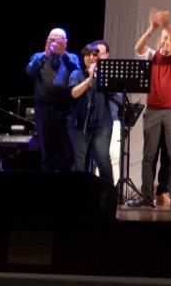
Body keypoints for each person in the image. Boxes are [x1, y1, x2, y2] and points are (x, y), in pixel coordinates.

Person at [133, 9, 171, 208]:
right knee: (149, 155)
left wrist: (168, 27)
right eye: (163, 39)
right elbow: (138, 47)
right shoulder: (153, 56)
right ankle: (145, 197)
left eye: (169, 39)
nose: (165, 42)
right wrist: (152, 29)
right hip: (153, 110)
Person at [25, 27, 81, 171]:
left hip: (66, 110)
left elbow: (78, 72)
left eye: (59, 40)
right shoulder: (38, 56)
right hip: (44, 110)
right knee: (47, 152)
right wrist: (46, 54)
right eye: (52, 39)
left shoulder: (71, 57)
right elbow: (30, 72)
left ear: (65, 42)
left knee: (66, 153)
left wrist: (64, 55)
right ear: (47, 40)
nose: (55, 43)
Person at [67, 44, 113, 183]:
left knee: (103, 159)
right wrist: (89, 80)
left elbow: (113, 93)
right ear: (83, 58)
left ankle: (109, 195)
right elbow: (74, 93)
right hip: (79, 125)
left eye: (95, 55)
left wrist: (99, 75)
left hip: (101, 125)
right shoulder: (77, 74)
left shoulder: (105, 76)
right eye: (88, 55)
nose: (91, 58)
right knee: (79, 161)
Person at [91, 40, 123, 185]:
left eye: (101, 53)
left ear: (107, 55)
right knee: (96, 157)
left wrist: (103, 81)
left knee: (113, 156)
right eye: (95, 53)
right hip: (94, 121)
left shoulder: (113, 73)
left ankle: (113, 192)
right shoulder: (88, 73)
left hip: (112, 118)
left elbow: (121, 98)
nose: (97, 57)